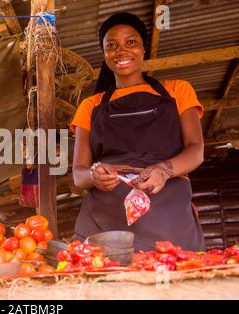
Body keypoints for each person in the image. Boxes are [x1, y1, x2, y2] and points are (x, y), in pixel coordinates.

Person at [70, 12, 205, 251]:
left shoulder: (178, 91)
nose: (121, 51)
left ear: (143, 49)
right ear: (105, 55)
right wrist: (94, 177)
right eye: (112, 46)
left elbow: (196, 150)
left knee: (177, 279)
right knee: (98, 283)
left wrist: (163, 170)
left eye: (130, 42)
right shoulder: (90, 106)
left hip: (167, 217)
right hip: (105, 221)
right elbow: (78, 174)